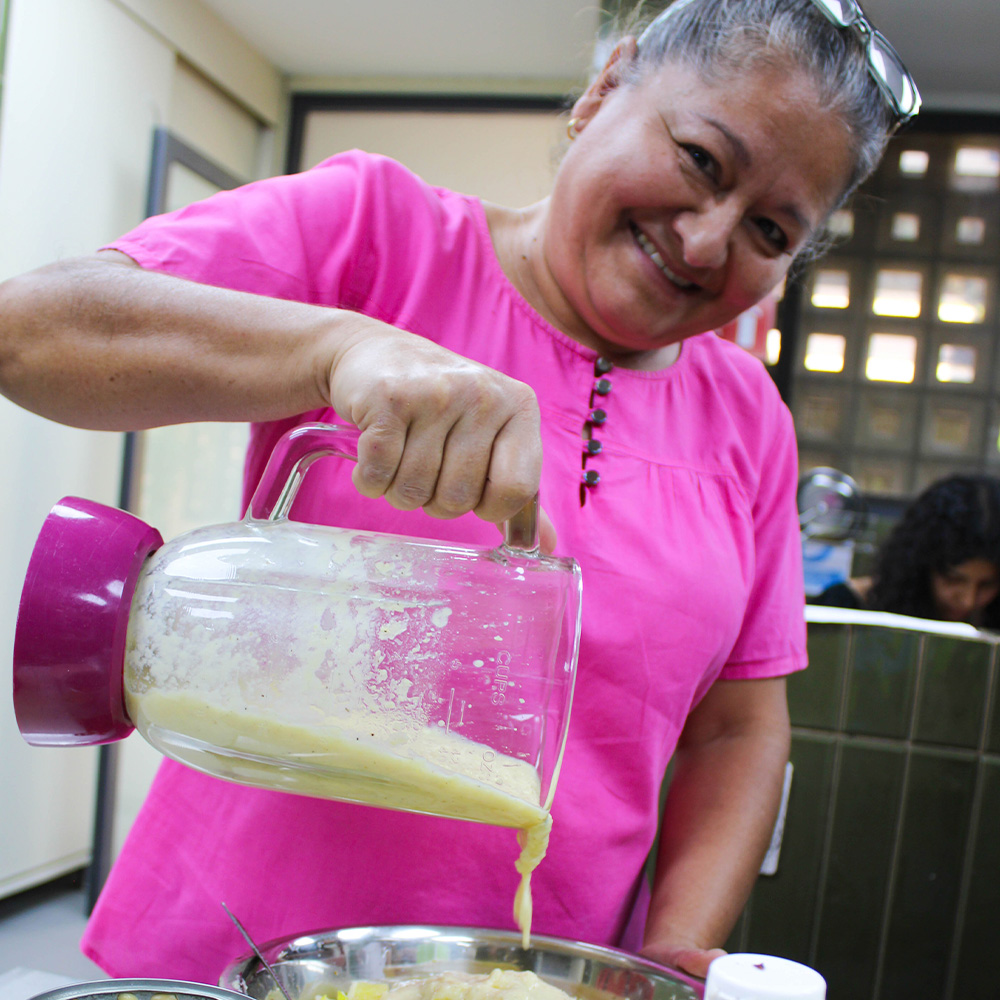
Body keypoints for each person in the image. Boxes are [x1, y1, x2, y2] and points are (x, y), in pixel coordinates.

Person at [0, 0, 917, 983]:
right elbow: (33, 331)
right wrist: (336, 347)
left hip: (528, 970)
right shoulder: (374, 235)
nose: (704, 242)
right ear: (607, 88)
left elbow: (737, 727)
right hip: (228, 950)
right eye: (700, 158)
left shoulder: (748, 422)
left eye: (770, 229)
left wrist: (667, 958)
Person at [813, 475, 1000, 628]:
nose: (968, 600)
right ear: (920, 565)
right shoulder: (845, 609)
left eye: (987, 585)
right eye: (953, 579)